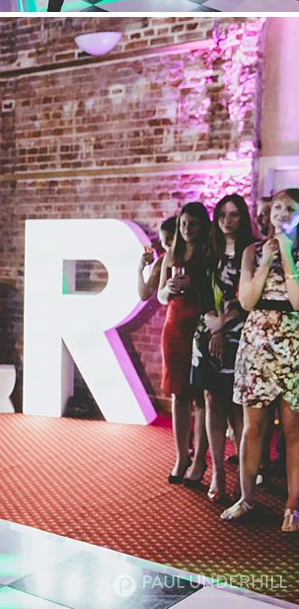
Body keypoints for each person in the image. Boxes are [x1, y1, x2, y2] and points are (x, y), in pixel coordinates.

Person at [223, 189, 299, 532]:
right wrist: (266, 261)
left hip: (293, 345)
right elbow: (247, 300)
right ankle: (246, 497)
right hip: (257, 345)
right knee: (253, 427)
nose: (282, 213)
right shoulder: (252, 251)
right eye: (277, 207)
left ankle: (292, 508)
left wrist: (286, 257)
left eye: (291, 208)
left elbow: (297, 302)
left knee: (293, 432)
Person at [191, 195, 254, 503]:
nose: (228, 221)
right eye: (223, 215)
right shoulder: (207, 251)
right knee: (213, 403)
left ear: (243, 218)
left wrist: (224, 323)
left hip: (241, 335)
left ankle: (244, 480)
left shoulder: (252, 251)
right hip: (208, 332)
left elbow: (252, 297)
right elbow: (201, 294)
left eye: (235, 215)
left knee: (240, 409)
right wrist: (211, 322)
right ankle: (218, 473)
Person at [157, 201, 212, 487]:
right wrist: (168, 288)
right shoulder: (171, 254)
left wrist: (195, 285)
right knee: (178, 395)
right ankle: (181, 456)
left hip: (201, 328)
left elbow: (216, 296)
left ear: (203, 226)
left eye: (193, 224)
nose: (188, 229)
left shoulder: (208, 253)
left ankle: (200, 460)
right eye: (183, 224)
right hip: (175, 328)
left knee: (201, 396)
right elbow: (160, 297)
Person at [137, 216, 176, 302]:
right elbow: (144, 294)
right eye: (162, 240)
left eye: (169, 238)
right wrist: (140, 270)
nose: (165, 244)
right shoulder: (161, 262)